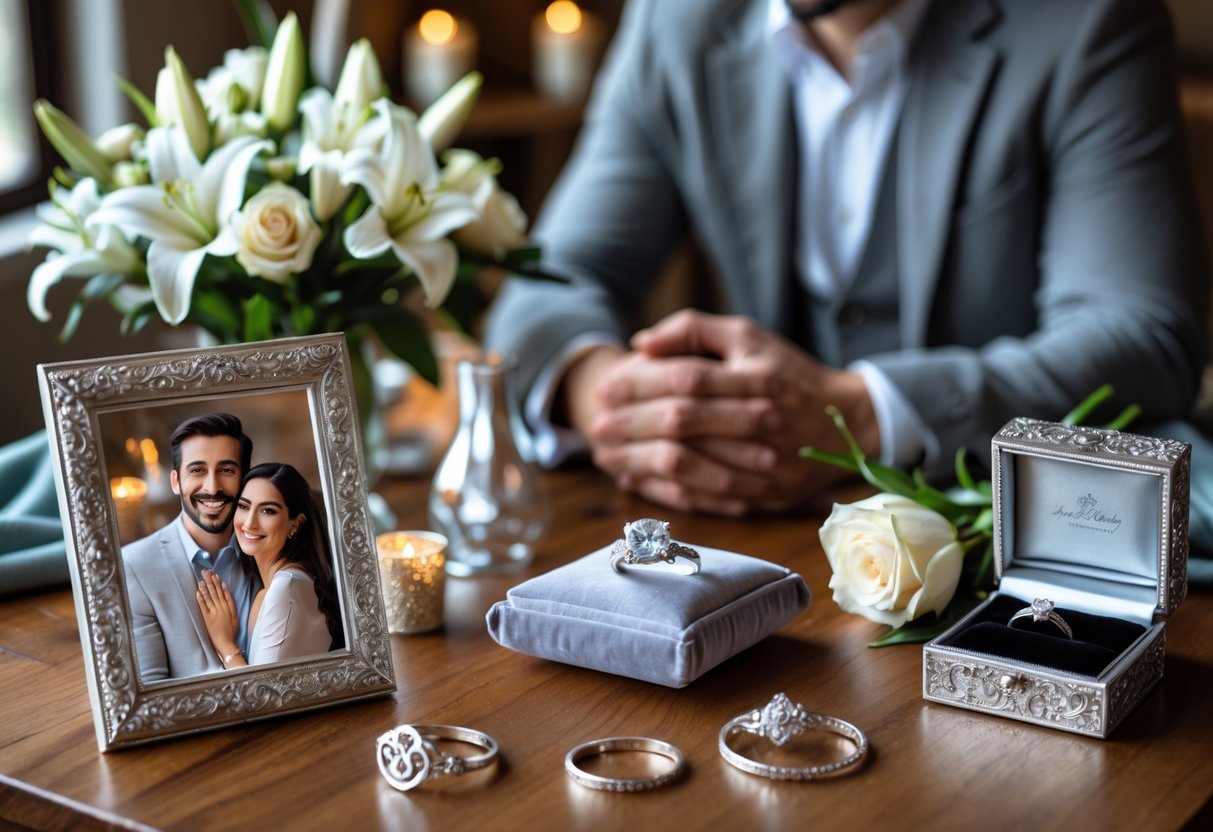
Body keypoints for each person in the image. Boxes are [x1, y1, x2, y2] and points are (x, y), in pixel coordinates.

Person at [484, 0, 1211, 516]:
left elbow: (1143, 335)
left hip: (999, 567)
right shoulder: (674, 19)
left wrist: (865, 416)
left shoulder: (1088, 20)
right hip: (757, 559)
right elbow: (552, 277)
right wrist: (605, 394)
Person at [123, 412, 261, 683]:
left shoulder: (269, 549)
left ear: (244, 479)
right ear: (175, 481)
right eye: (197, 470)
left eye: (226, 470)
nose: (212, 487)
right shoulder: (133, 566)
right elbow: (152, 696)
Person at [196, 462, 343, 669]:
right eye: (244, 507)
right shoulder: (271, 589)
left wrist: (225, 645)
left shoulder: (286, 589)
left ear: (296, 523)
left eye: (267, 511)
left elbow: (262, 696)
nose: (249, 523)